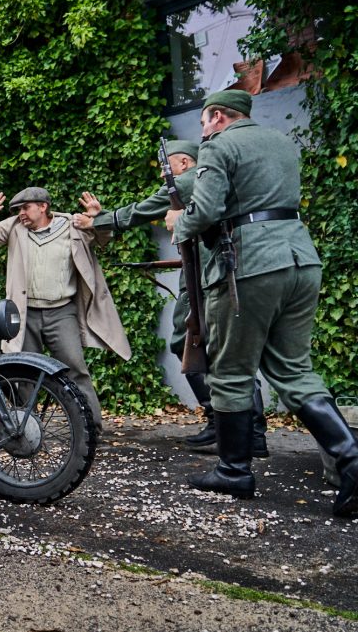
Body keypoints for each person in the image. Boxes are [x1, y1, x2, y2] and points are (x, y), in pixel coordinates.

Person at [166, 89, 358, 515]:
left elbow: (206, 210)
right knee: (294, 368)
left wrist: (180, 221)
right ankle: (352, 461)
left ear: (217, 116)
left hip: (249, 265)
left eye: (203, 122)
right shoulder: (281, 142)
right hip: (301, 260)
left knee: (231, 369)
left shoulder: (219, 145)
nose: (201, 131)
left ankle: (234, 471)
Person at [72, 141, 268, 455]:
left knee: (195, 344)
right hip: (205, 267)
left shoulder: (193, 181)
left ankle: (231, 426)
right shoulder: (214, 183)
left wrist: (97, 221)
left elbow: (141, 210)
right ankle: (242, 430)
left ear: (184, 164)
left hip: (206, 274)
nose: (165, 178)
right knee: (214, 348)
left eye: (169, 168)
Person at [0, 186, 131, 431]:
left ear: (43, 206)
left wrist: (97, 218)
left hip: (62, 312)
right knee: (24, 374)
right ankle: (26, 431)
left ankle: (91, 429)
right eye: (18, 209)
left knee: (75, 370)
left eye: (25, 208)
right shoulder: (14, 227)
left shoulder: (72, 225)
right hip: (25, 314)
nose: (21, 213)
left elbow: (102, 240)